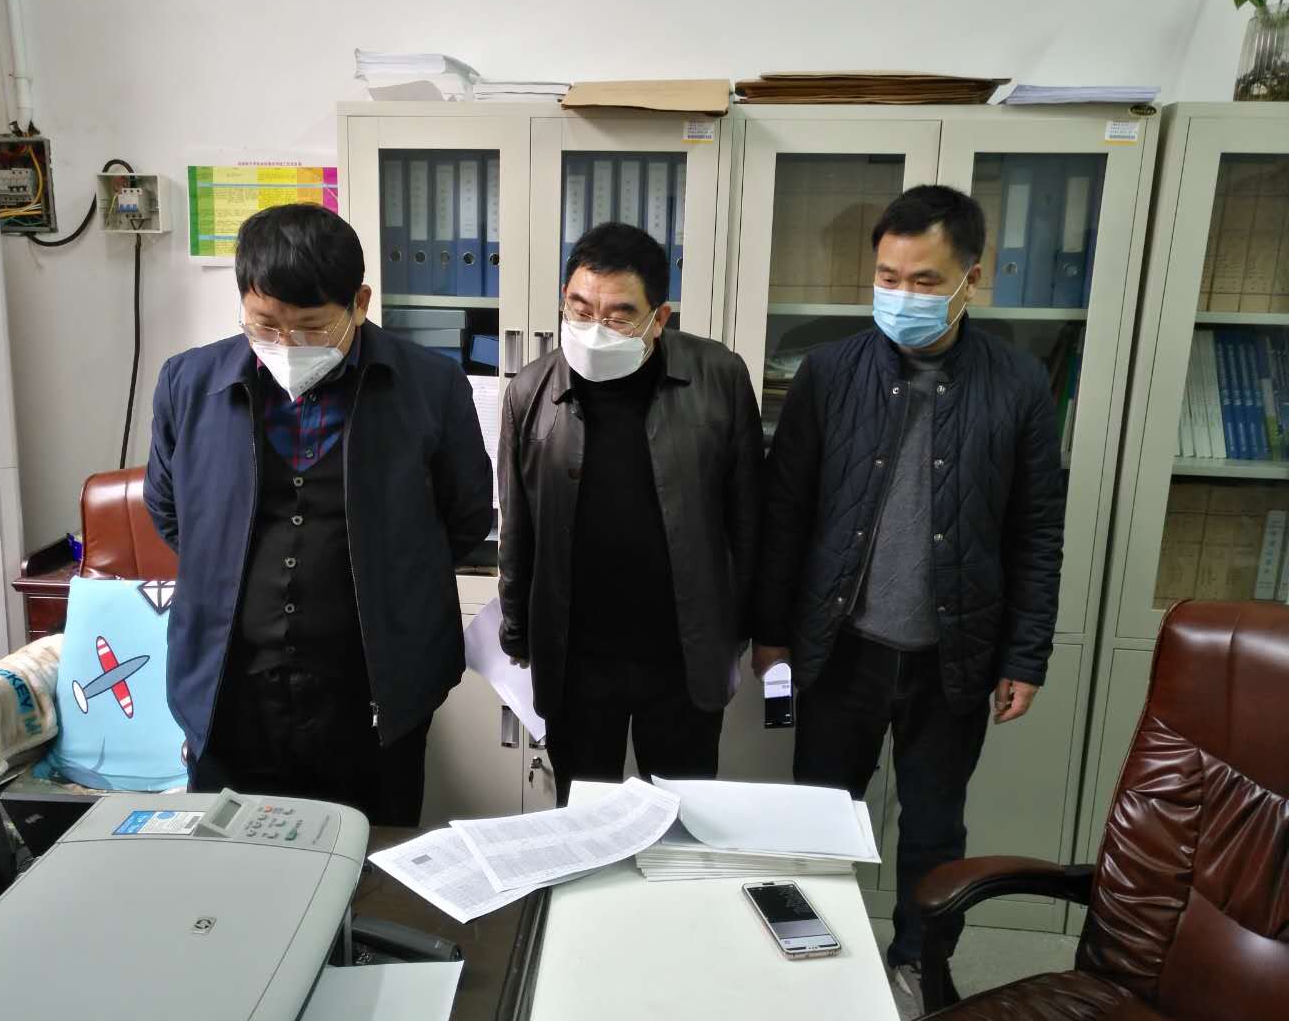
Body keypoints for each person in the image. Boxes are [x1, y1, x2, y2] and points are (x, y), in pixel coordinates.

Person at [752, 185, 1064, 1010]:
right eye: (888, 278)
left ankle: (919, 966)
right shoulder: (829, 373)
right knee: (818, 819)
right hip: (839, 648)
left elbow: (1036, 529)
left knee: (933, 829)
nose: (903, 296)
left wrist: (1026, 654)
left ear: (972, 279)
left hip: (953, 656)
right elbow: (785, 512)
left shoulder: (1019, 382)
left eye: (925, 281)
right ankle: (813, 967)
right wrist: (771, 634)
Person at [144, 203, 493, 826]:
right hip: (229, 690)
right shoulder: (188, 383)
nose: (285, 344)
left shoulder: (430, 386)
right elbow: (171, 511)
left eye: (310, 327)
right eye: (265, 324)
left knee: (369, 857)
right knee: (232, 861)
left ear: (359, 303)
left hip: (373, 691)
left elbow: (464, 518)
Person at [498, 221, 761, 806]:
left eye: (619, 315)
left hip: (683, 653)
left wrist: (742, 628)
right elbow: (518, 529)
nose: (595, 328)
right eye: (580, 308)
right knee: (581, 817)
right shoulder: (530, 391)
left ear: (659, 317)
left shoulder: (718, 376)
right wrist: (516, 628)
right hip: (578, 658)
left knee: (683, 817)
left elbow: (747, 516)